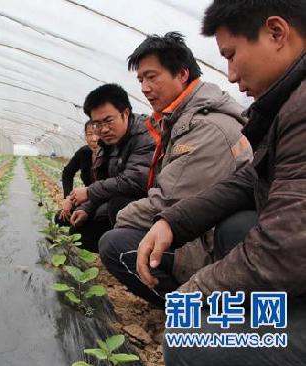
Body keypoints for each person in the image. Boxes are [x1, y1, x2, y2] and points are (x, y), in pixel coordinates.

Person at [131, 1, 306, 364]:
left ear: (277, 33)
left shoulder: (297, 110)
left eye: (231, 55)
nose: (229, 75)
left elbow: (284, 249)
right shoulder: (286, 104)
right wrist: (172, 221)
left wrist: (196, 291)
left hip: (290, 261)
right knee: (237, 226)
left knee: (186, 340)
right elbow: (248, 180)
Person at [98, 32, 252, 307]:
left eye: (151, 77)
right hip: (200, 228)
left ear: (181, 74)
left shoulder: (207, 127)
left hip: (213, 245)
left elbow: (170, 200)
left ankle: (192, 312)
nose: (144, 87)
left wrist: (121, 217)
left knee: (115, 244)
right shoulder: (179, 120)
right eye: (140, 80)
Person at [67, 83, 156, 253]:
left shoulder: (145, 135)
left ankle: (140, 255)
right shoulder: (107, 143)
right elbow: (103, 183)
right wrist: (86, 208)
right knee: (80, 231)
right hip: (119, 204)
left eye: (108, 121)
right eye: (97, 124)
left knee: (118, 205)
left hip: (151, 207)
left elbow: (135, 181)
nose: (103, 129)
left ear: (125, 113)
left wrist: (89, 192)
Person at [58, 120, 99, 222]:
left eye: (98, 134)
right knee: (61, 218)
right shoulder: (83, 153)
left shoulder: (112, 155)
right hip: (87, 198)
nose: (94, 139)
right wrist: (68, 197)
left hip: (104, 201)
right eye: (89, 134)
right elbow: (67, 173)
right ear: (85, 136)